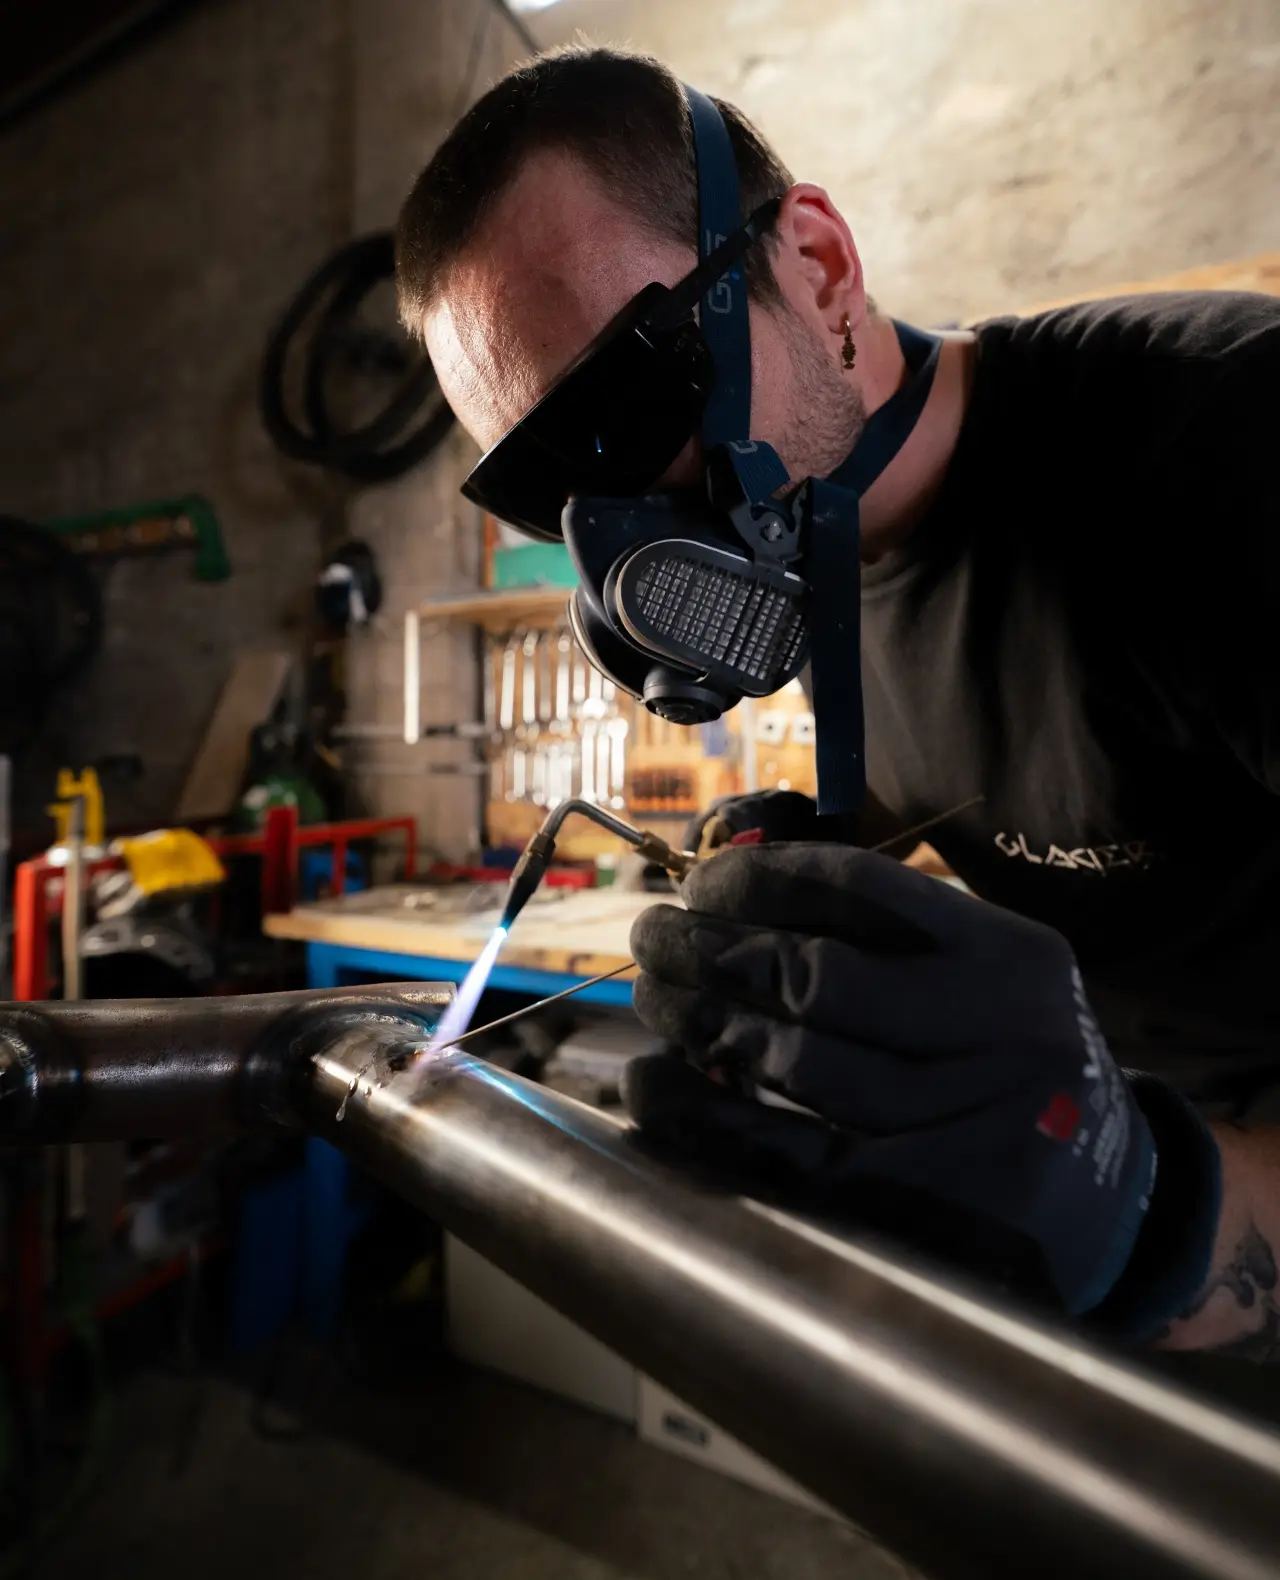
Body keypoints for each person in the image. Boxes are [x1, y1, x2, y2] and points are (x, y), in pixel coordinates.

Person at [395, 46, 1280, 1357]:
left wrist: (1155, 1208)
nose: (618, 534)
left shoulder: (1228, 448)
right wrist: (845, 868)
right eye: (547, 486)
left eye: (629, 402)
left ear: (815, 266)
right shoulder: (818, 557)